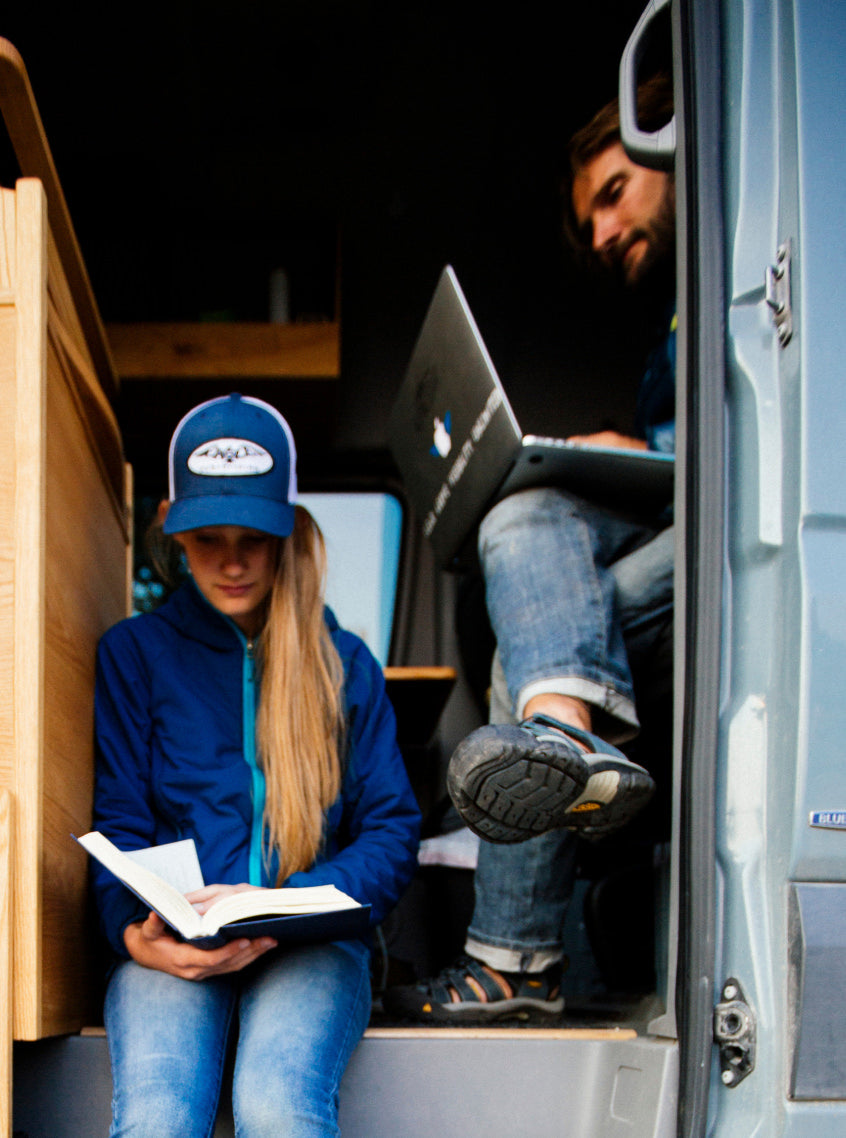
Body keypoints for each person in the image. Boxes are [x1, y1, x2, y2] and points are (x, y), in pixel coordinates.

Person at [383, 74, 676, 1022]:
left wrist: (651, 451)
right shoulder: (669, 330)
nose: (603, 232)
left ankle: (514, 960)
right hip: (665, 542)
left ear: (677, 147)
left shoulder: (757, 279)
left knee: (532, 610)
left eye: (615, 194)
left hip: (729, 539)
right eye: (590, 219)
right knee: (518, 522)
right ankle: (566, 735)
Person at [92, 392, 421, 1136]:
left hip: (311, 948)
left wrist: (285, 905)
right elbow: (117, 822)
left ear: (288, 533)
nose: (233, 561)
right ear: (172, 528)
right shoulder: (134, 655)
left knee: (278, 1107)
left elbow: (392, 831)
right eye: (209, 537)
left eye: (255, 538)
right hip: (170, 947)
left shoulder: (345, 664)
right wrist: (133, 934)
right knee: (155, 1118)